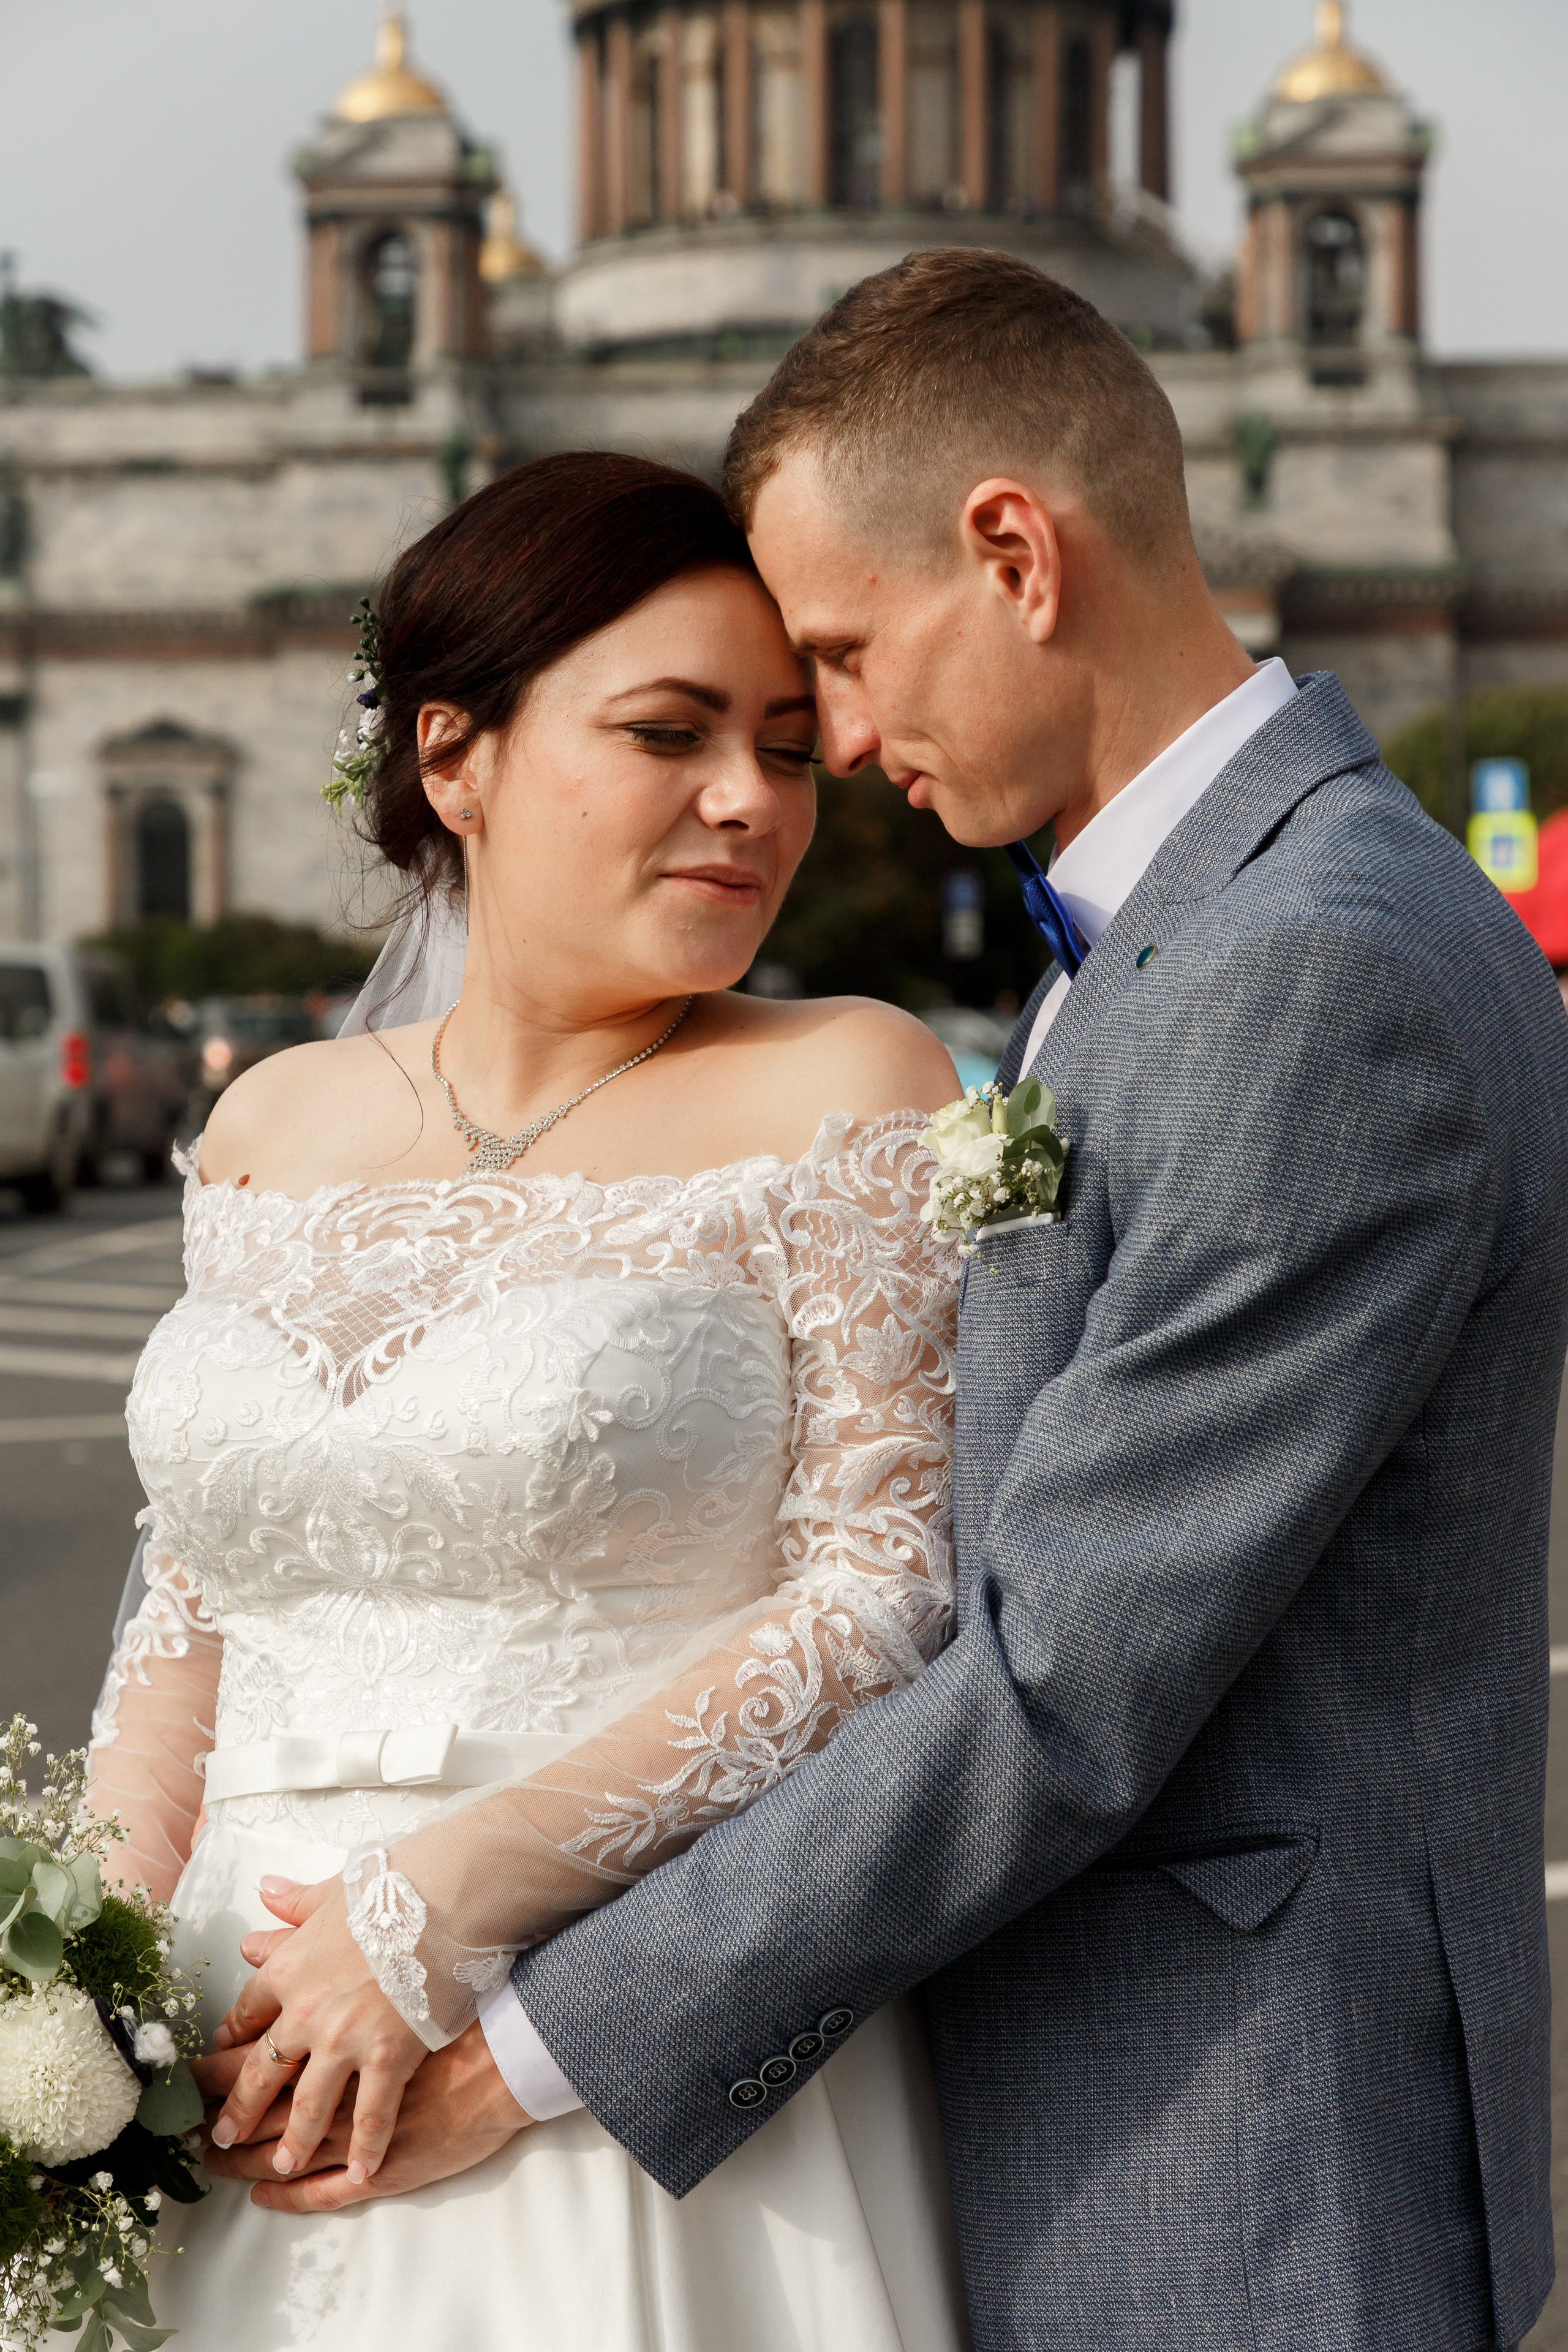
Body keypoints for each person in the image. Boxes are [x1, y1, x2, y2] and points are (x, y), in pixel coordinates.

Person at [195, 250, 1568, 2351]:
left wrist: (518, 2040)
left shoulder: (1314, 969)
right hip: (1094, 2117)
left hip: (1231, 2164)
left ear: (1013, 550)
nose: (823, 747)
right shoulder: (1180, 933)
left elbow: (1058, 1684)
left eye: (830, 660)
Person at [86, 448, 970, 2352]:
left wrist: (430, 1918)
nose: (749, 801)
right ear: (456, 757)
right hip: (224, 2047)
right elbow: (190, 1621)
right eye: (669, 733)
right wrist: (76, 1979)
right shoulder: (266, 1126)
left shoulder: (852, 1081)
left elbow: (880, 1601)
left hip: (606, 2032)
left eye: (790, 747)